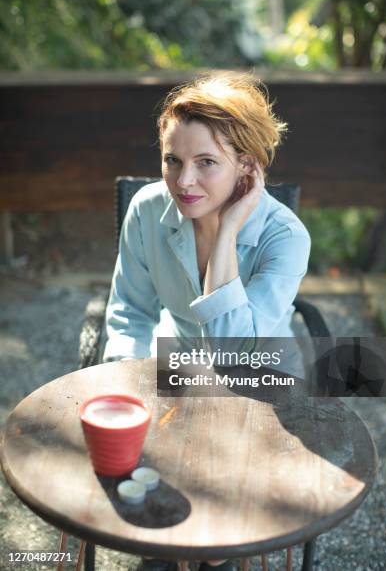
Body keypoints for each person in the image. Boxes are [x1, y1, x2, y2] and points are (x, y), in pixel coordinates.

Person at [103, 71, 311, 570]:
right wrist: (125, 391)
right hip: (176, 371)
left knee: (218, 523)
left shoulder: (286, 238)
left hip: (262, 381)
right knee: (153, 494)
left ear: (247, 166)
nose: (182, 181)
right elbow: (130, 311)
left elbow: (232, 350)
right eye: (172, 160)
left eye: (206, 163)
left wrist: (226, 236)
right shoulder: (146, 209)